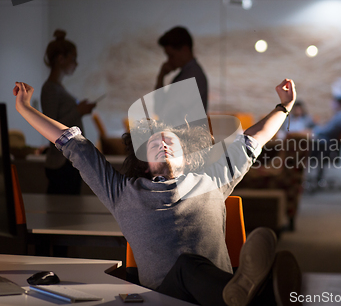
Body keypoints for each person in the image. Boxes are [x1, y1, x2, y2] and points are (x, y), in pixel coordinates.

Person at [13, 79, 300, 306]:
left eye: (171, 142)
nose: (162, 144)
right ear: (143, 162)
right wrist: (25, 109)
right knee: (187, 266)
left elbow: (253, 139)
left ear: (188, 155)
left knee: (200, 272)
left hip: (214, 292)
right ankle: (256, 293)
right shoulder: (123, 192)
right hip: (165, 297)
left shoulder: (211, 178)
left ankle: (246, 293)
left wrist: (284, 107)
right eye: (153, 145)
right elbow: (74, 144)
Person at [41, 30, 96, 194]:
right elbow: (50, 127)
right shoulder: (51, 88)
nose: (76, 63)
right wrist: (78, 111)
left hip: (67, 160)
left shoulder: (56, 88)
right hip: (61, 162)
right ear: (61, 59)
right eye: (73, 58)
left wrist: (79, 110)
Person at [155, 26, 209, 112]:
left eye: (171, 55)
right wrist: (161, 77)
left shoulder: (192, 77)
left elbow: (163, 111)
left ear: (185, 50)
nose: (169, 60)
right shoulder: (187, 74)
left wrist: (160, 77)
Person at [309, 94, 341, 188]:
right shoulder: (340, 115)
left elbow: (327, 130)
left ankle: (307, 178)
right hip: (328, 145)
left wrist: (314, 131)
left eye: (333, 102)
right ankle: (317, 178)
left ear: (339, 104)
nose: (331, 104)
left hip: (327, 146)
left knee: (306, 146)